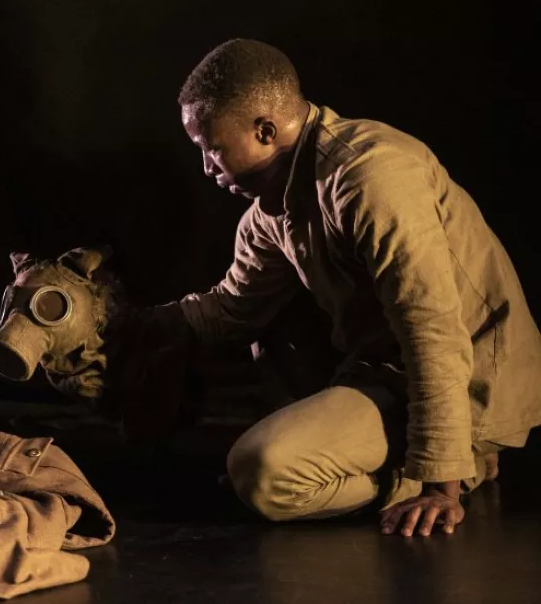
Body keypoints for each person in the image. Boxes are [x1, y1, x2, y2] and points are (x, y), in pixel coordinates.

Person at [161, 38, 541, 537]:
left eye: (212, 149)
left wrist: (440, 484)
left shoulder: (371, 177)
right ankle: (359, 455)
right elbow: (233, 309)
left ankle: (457, 460)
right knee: (267, 318)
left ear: (265, 131)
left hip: (472, 378)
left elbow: (431, 330)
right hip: (383, 371)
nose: (208, 168)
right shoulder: (270, 209)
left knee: (261, 475)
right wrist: (121, 327)